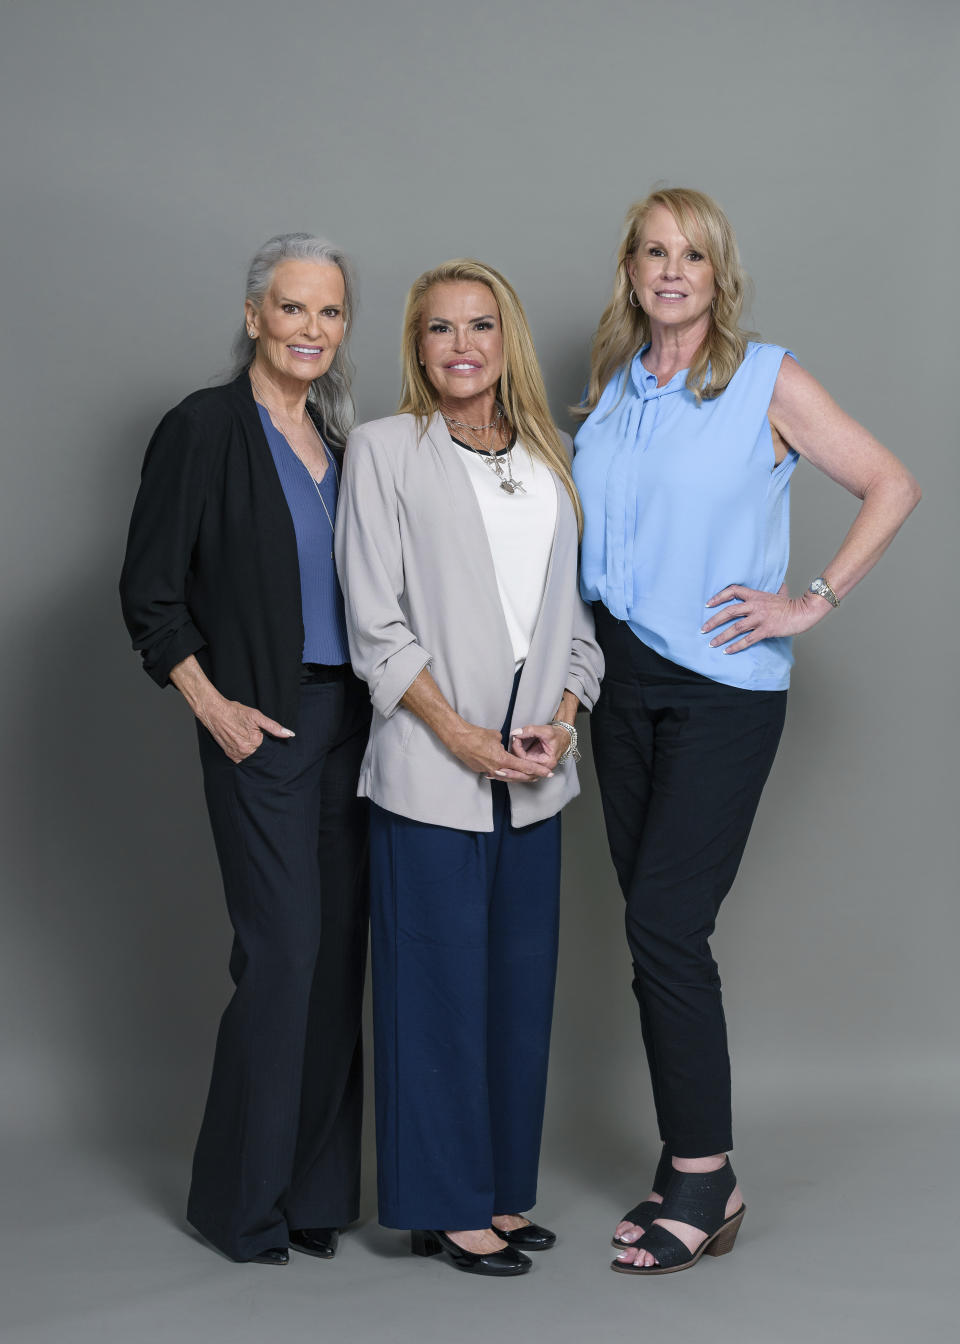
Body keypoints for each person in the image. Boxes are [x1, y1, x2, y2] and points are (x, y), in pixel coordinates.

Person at [572, 188, 921, 1276]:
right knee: (651, 930)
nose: (672, 270)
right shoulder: (612, 394)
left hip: (721, 690)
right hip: (614, 689)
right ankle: (693, 1164)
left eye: (694, 255)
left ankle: (707, 1176)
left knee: (669, 927)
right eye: (653, 251)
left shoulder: (766, 379)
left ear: (719, 274)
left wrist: (811, 598)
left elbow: (890, 484)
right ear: (630, 267)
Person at [336, 259, 603, 1277]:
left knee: (514, 994)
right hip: (430, 767)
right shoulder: (384, 451)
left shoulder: (552, 456)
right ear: (417, 345)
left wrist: (563, 724)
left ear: (507, 340)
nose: (461, 345)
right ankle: (443, 1206)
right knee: (433, 992)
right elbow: (374, 622)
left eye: (480, 326)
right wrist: (457, 734)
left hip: (533, 776)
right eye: (439, 328)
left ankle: (493, 1190)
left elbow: (576, 624)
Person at [120, 233, 371, 1265]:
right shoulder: (204, 428)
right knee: (284, 956)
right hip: (259, 724)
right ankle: (240, 1204)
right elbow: (149, 592)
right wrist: (208, 703)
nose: (310, 329)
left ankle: (313, 1199)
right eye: (293, 309)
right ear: (255, 315)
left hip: (351, 726)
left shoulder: (343, 441)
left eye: (330, 313)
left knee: (336, 961)